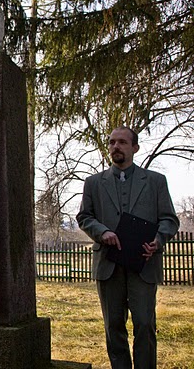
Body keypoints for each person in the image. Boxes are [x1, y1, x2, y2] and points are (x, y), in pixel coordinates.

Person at [77, 127, 180, 369]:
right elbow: (84, 216)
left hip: (143, 263)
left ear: (135, 148)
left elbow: (169, 219)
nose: (115, 147)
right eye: (111, 142)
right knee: (113, 326)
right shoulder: (93, 183)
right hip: (108, 264)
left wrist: (158, 239)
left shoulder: (155, 181)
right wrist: (102, 232)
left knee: (144, 324)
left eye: (122, 142)